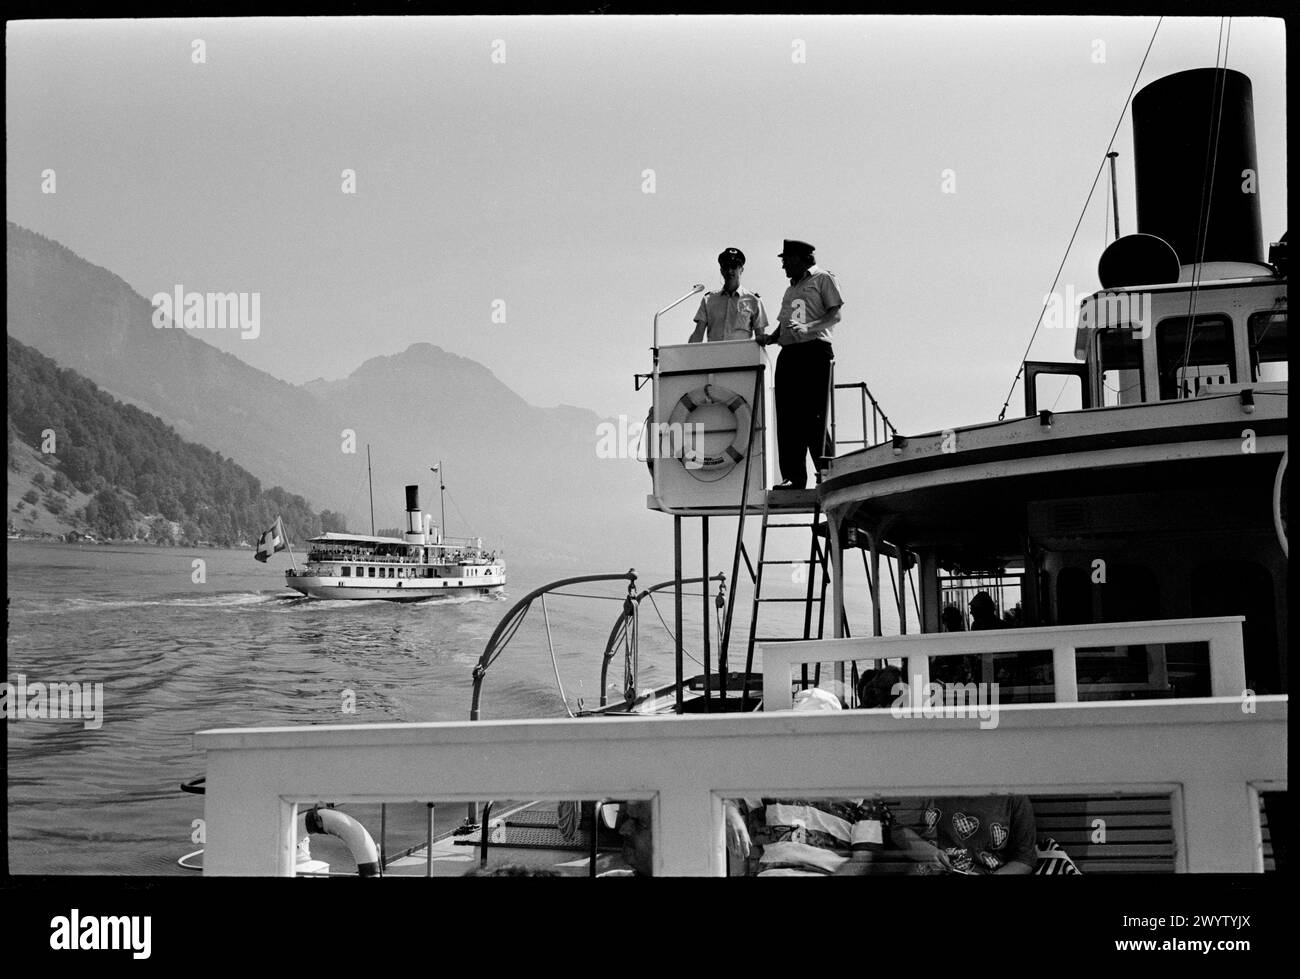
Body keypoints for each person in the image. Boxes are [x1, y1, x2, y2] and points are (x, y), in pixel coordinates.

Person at [758, 240, 843, 489]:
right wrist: (773, 337)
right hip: (790, 354)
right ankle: (794, 477)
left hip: (814, 351)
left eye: (786, 259)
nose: (783, 265)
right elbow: (789, 321)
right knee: (788, 418)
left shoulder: (822, 279)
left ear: (800, 258)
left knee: (814, 416)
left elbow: (835, 314)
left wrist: (808, 327)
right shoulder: (791, 288)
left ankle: (826, 473)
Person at [891, 794, 1037, 874]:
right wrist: (927, 852)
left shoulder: (1014, 797)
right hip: (933, 870)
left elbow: (1023, 860)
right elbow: (898, 830)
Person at [688, 247, 769, 343]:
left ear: (741, 270)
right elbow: (698, 334)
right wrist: (688, 355)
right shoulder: (709, 300)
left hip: (741, 357)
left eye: (734, 266)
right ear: (721, 270)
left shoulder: (754, 301)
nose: (730, 271)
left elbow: (760, 338)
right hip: (714, 356)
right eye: (726, 267)